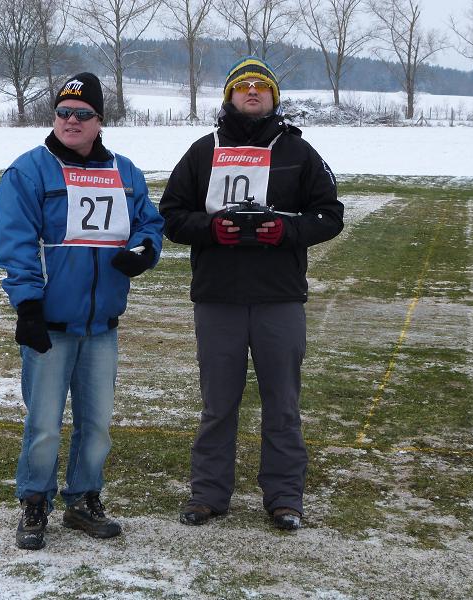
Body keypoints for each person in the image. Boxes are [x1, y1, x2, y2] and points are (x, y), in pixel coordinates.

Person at [159, 56, 344, 531]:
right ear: (230, 96)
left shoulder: (298, 151)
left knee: (282, 403)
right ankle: (208, 494)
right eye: (243, 85)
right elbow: (171, 215)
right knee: (218, 404)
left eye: (262, 85)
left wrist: (284, 230)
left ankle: (284, 497)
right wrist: (211, 229)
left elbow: (330, 215)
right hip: (218, 297)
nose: (253, 91)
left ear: (274, 97)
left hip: (279, 297)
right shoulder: (204, 150)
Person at [0, 72, 164, 550]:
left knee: (97, 426)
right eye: (63, 112)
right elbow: (16, 244)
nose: (71, 120)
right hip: (49, 324)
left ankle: (84, 499)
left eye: (82, 113)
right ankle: (35, 501)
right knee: (44, 425)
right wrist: (28, 307)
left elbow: (150, 223)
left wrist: (144, 250)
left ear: (100, 120)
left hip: (101, 326)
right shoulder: (29, 171)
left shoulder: (125, 172)